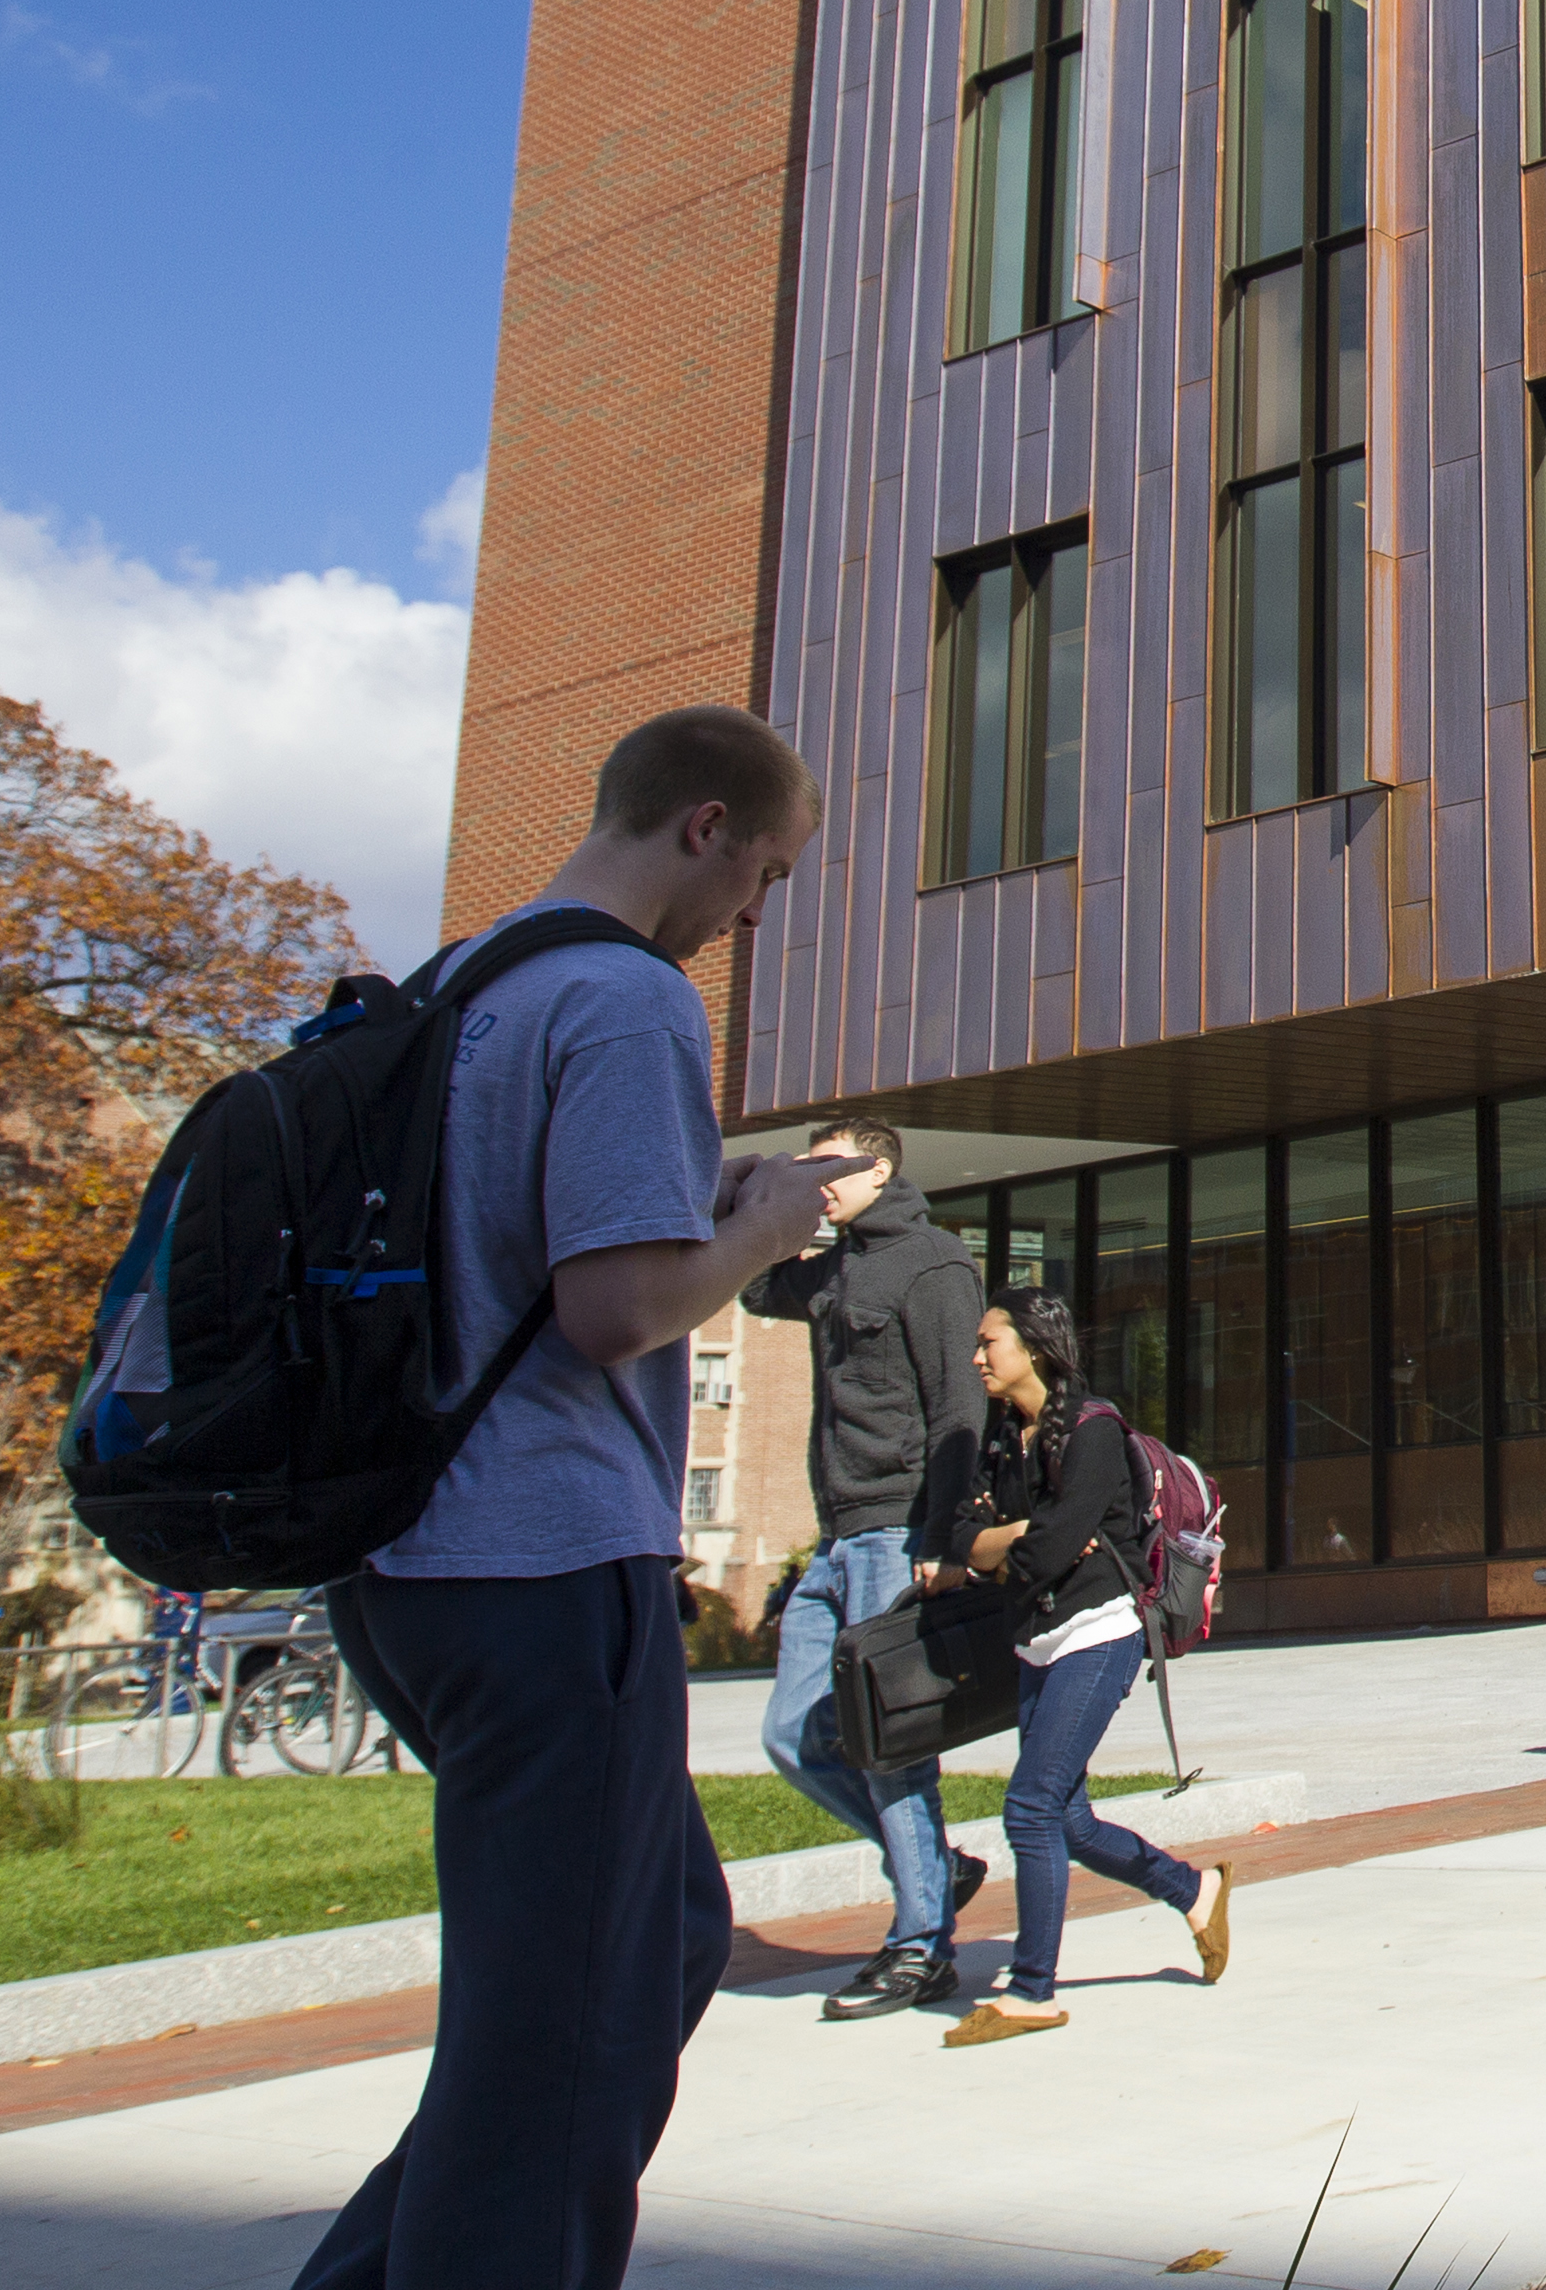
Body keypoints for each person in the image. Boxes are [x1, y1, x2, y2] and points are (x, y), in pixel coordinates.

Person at [297, 704, 859, 2290]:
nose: (757, 912)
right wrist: (763, 1218)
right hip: (542, 1559)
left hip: (405, 1560)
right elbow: (614, 1306)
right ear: (706, 827)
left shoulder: (452, 986)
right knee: (565, 2042)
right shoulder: (622, 1000)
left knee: (658, 1938)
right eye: (769, 871)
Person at [920, 1292, 1229, 2043]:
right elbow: (969, 1534)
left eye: (990, 1341)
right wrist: (1008, 1538)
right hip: (1036, 1639)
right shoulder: (1005, 1438)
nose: (977, 1356)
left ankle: (1033, 1991)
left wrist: (1004, 1546)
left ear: (1034, 1346)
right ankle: (1194, 1889)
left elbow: (1041, 1553)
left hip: (1099, 1633)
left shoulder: (1091, 1431)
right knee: (1066, 1817)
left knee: (1029, 1806)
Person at [746, 1114, 993, 2019]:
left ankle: (921, 1945)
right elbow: (755, 1286)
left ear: (878, 1167)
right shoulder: (834, 1265)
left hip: (895, 1531)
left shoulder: (932, 1264)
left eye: (828, 1167)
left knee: (889, 1748)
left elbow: (960, 1410)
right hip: (836, 1537)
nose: (816, 1180)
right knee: (793, 1734)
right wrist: (771, 1200)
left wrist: (942, 1534)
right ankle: (936, 1870)